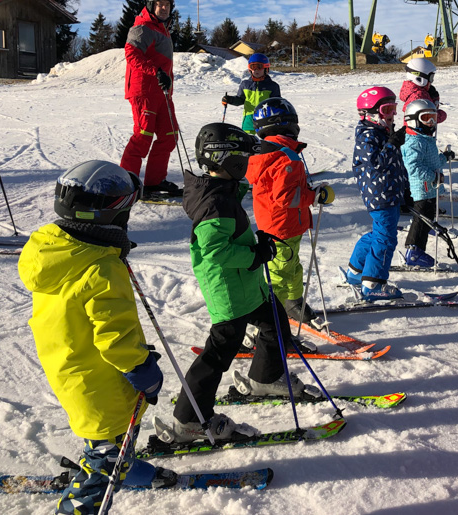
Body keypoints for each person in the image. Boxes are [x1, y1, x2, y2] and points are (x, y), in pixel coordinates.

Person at [19, 160, 175, 514]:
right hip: (101, 380)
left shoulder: (57, 251)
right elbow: (114, 336)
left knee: (115, 434)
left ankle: (125, 465)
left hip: (72, 365)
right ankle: (84, 498)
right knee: (107, 448)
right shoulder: (101, 268)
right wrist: (141, 368)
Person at [154, 122, 318, 446]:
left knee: (275, 323)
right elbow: (216, 252)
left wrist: (257, 243)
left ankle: (265, 378)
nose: (247, 164)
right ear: (227, 159)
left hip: (247, 286)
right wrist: (254, 254)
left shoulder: (223, 191)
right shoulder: (215, 202)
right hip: (229, 291)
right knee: (218, 353)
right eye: (243, 158)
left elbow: (229, 239)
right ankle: (189, 421)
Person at [245, 97, 334, 325]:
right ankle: (269, 320)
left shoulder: (266, 154)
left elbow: (281, 190)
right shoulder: (286, 157)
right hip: (283, 226)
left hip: (281, 224)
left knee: (292, 267)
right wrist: (313, 197)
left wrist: (310, 191)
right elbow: (285, 197)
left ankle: (292, 303)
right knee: (280, 273)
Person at [342, 86, 407, 301]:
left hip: (389, 192)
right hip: (380, 194)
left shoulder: (381, 132)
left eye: (394, 109)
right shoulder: (367, 136)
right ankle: (373, 284)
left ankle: (356, 271)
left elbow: (396, 164)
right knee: (386, 238)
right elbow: (376, 163)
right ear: (369, 113)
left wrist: (405, 187)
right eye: (386, 110)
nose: (392, 115)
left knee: (379, 233)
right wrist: (392, 144)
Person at [120, 0, 181, 197]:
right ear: (151, 5)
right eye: (159, 4)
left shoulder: (163, 29)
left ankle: (154, 182)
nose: (164, 8)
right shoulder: (142, 27)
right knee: (143, 136)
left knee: (169, 135)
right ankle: (126, 183)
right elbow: (131, 54)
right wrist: (156, 71)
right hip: (144, 91)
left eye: (167, 5)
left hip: (162, 93)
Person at [400, 99, 454, 267]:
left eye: (433, 118)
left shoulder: (425, 139)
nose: (431, 122)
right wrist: (433, 177)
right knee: (421, 219)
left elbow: (432, 162)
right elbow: (414, 167)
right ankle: (414, 252)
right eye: (426, 118)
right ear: (412, 120)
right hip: (422, 189)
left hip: (430, 188)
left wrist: (444, 158)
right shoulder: (414, 142)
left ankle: (418, 248)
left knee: (427, 218)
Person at [222, 53, 281, 134]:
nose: (256, 70)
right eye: (253, 67)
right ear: (249, 69)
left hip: (265, 121)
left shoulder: (272, 86)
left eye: (259, 66)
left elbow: (277, 104)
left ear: (266, 68)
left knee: (264, 140)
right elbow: (240, 99)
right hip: (248, 121)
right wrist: (230, 99)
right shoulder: (245, 84)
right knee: (247, 140)